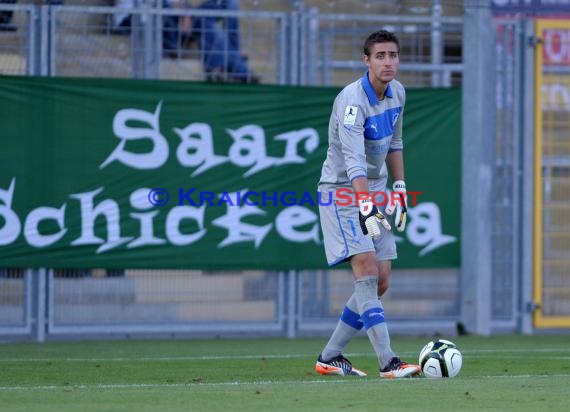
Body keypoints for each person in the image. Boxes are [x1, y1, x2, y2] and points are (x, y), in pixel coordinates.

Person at [314, 30, 420, 379]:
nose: (388, 62)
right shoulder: (351, 101)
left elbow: (396, 142)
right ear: (366, 61)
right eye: (380, 56)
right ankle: (388, 362)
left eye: (393, 55)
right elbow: (353, 160)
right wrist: (365, 206)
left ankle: (330, 356)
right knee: (367, 270)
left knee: (382, 281)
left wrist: (400, 188)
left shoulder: (398, 93)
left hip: (376, 188)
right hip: (343, 190)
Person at [192, 0, 259, 83]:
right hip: (177, 16)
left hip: (189, 10)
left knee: (231, 2)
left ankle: (228, 67)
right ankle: (240, 69)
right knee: (207, 24)